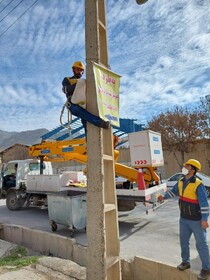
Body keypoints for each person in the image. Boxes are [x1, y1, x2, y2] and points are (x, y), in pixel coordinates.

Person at [158, 159, 210, 280]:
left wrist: (204, 219)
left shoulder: (198, 184)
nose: (184, 167)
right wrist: (163, 197)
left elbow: (204, 204)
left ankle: (206, 268)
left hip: (196, 220)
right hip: (184, 219)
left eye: (187, 166)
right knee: (183, 241)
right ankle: (185, 262)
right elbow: (173, 192)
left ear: (192, 169)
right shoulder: (181, 181)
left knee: (201, 245)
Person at [62, 61, 110, 134]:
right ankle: (99, 122)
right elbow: (66, 90)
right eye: (78, 70)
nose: (79, 72)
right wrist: (79, 84)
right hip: (72, 104)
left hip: (84, 104)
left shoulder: (85, 82)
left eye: (81, 70)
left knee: (86, 122)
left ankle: (89, 141)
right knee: (77, 109)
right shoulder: (68, 79)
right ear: (73, 70)